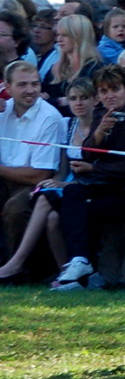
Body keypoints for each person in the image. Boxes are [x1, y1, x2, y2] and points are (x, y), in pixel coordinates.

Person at [51, 66, 125, 290]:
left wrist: (93, 168)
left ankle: (86, 274)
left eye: (115, 89)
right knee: (71, 193)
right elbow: (87, 152)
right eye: (104, 91)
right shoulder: (100, 115)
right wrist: (99, 134)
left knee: (84, 210)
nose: (110, 96)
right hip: (100, 184)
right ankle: (80, 261)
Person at [0, 79, 98, 284]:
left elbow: (99, 169)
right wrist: (56, 181)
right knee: (51, 215)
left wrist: (62, 184)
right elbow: (62, 168)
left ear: (95, 100)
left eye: (84, 98)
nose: (78, 103)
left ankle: (17, 263)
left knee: (43, 202)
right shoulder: (68, 124)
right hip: (67, 185)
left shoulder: (101, 127)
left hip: (92, 186)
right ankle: (65, 274)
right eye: (73, 98)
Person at [0, 61, 66, 279]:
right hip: (6, 177)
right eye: (22, 85)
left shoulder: (49, 117)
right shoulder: (3, 110)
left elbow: (40, 174)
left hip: (36, 184)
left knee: (15, 209)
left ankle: (16, 270)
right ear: (7, 87)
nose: (30, 90)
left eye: (35, 84)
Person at [41, 14, 99, 111]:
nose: (59, 40)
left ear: (78, 37)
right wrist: (59, 101)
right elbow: (40, 99)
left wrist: (52, 100)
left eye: (65, 35)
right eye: (58, 35)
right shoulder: (55, 68)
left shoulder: (94, 69)